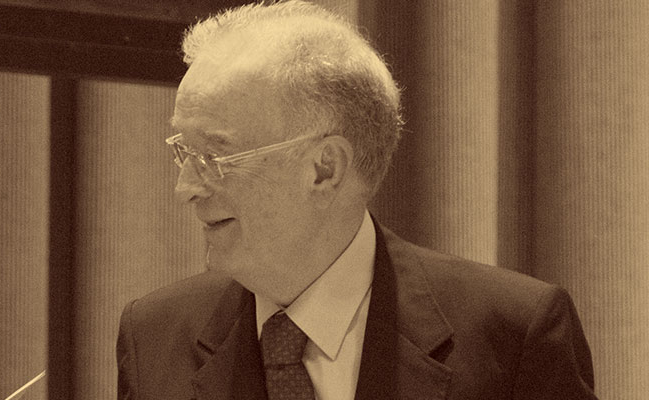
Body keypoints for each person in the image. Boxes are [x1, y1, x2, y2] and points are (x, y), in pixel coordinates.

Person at [116, 1, 596, 399]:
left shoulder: (513, 338)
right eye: (184, 153)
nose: (186, 188)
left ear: (325, 168)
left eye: (216, 157)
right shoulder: (154, 336)